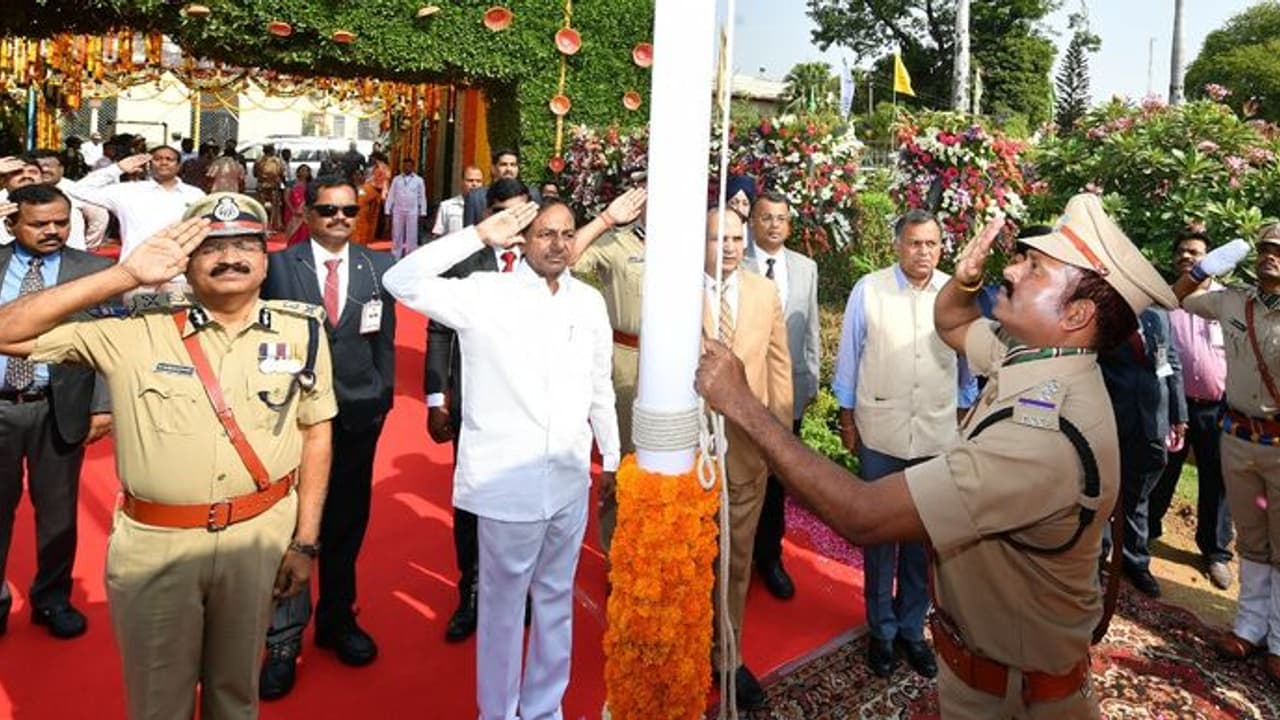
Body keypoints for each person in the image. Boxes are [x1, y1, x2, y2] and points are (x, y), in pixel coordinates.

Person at [695, 192, 1178, 718]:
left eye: (1034, 267)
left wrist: (744, 406)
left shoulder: (1043, 436)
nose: (1012, 271)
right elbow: (950, 324)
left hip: (1013, 697)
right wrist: (966, 278)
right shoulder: (1035, 357)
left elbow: (863, 514)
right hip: (991, 672)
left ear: (1077, 314)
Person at [0, 192, 336, 719]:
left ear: (266, 257)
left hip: (257, 541)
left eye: (246, 244)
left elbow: (316, 433)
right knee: (160, 707)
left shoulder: (303, 332)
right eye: (211, 248)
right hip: (158, 548)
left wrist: (306, 543)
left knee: (236, 700)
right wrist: (124, 276)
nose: (230, 258)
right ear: (187, 261)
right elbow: (5, 331)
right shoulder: (135, 330)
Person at [386, 200, 619, 720]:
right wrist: (477, 236)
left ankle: (543, 709)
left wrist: (615, 455)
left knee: (556, 600)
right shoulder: (485, 295)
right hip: (504, 485)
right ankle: (497, 712)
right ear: (522, 241)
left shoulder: (588, 303)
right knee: (502, 609)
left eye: (566, 234)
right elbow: (401, 279)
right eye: (544, 234)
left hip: (567, 478)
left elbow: (599, 384)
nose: (557, 243)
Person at [258, 175, 396, 699]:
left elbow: (385, 339)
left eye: (347, 210)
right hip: (293, 418)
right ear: (309, 215)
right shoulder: (278, 267)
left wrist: (383, 397)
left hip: (359, 415)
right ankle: (283, 640)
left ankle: (338, 620)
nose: (339, 218)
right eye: (328, 210)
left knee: (346, 522)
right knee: (294, 526)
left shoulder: (377, 266)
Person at [832, 209, 977, 680]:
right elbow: (850, 357)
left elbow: (966, 368)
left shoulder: (955, 295)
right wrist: (847, 417)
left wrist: (963, 414)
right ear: (898, 245)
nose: (924, 252)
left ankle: (913, 630)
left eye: (932, 244)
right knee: (879, 536)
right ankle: (882, 630)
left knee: (921, 538)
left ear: (942, 248)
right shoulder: (870, 289)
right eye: (915, 243)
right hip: (881, 430)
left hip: (936, 436)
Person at [0, 184, 113, 639]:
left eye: (60, 222)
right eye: (39, 223)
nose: (52, 231)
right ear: (13, 223)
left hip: (58, 408)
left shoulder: (94, 272)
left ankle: (52, 598)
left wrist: (103, 407)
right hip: (1, 406)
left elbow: (112, 342)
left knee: (59, 513)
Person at [424, 178, 531, 643]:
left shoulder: (546, 261)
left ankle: (519, 590)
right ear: (488, 214)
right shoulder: (464, 260)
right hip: (474, 403)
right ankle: (470, 592)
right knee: (472, 503)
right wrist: (435, 399)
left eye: (525, 211)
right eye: (506, 212)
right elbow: (438, 331)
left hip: (531, 407)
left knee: (525, 505)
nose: (517, 222)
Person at [1173, 225, 1280, 683]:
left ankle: (1279, 641)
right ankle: (1249, 629)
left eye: (1278, 251)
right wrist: (1202, 267)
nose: (1269, 257)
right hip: (1237, 438)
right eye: (1265, 250)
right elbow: (1176, 298)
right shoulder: (1234, 300)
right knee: (1252, 539)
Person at [703, 206, 792, 711]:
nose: (731, 247)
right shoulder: (675, 290)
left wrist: (776, 438)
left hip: (746, 454)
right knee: (694, 563)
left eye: (737, 238)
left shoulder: (763, 292)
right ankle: (689, 647)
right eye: (719, 238)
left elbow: (779, 369)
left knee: (737, 564)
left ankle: (729, 656)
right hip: (688, 454)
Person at [565, 185, 649, 554]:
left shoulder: (690, 244)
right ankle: (615, 546)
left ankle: (656, 543)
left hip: (680, 367)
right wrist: (605, 221)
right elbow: (566, 258)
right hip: (627, 362)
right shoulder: (617, 243)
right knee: (623, 461)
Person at [1149, 231, 1234, 590]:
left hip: (1218, 408)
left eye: (1195, 252)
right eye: (1182, 250)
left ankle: (1215, 553)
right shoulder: (1165, 300)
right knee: (1161, 470)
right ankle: (1144, 535)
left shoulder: (1228, 302)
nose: (1187, 256)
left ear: (1209, 259)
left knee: (1217, 481)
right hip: (1171, 405)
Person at [746, 190, 820, 601]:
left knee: (777, 479)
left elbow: (809, 333)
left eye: (781, 218)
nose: (774, 224)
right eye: (766, 217)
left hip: (786, 393)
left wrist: (808, 385)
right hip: (741, 390)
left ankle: (769, 557)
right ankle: (731, 553)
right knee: (737, 474)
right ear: (752, 222)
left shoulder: (806, 268)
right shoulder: (733, 260)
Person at [1098, 307, 1185, 598]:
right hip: (1109, 416)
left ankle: (1134, 562)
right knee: (1102, 491)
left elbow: (1170, 362)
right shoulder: (1103, 309)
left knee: (1138, 495)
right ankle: (1097, 557)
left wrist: (1178, 415)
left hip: (1151, 420)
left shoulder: (1159, 317)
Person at [66, 147, 206, 261]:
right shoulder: (128, 191)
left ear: (178, 165)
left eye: (169, 159)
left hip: (180, 271)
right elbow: (77, 190)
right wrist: (118, 168)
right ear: (148, 164)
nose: (163, 162)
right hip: (134, 272)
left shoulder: (195, 195)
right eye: (157, 159)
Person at [32, 149, 107, 251]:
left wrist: (90, 245)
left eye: (48, 165)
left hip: (72, 252)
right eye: (39, 167)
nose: (44, 170)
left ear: (61, 168)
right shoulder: (21, 190)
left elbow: (99, 217)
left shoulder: (77, 190)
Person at [462, 148, 540, 227]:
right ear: (493, 168)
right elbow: (469, 232)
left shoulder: (532, 194)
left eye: (513, 165)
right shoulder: (476, 197)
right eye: (503, 164)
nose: (509, 169)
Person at [384, 157, 427, 258]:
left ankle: (410, 256)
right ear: (402, 167)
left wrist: (423, 212)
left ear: (413, 167)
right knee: (397, 234)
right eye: (405, 166)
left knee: (412, 235)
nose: (407, 168)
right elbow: (391, 195)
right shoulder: (396, 180)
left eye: (409, 166)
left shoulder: (419, 180)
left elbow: (422, 197)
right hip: (398, 210)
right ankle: (395, 255)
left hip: (412, 211)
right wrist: (387, 209)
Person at [431, 166, 485, 240]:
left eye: (478, 181)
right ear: (462, 182)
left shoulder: (488, 207)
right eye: (470, 180)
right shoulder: (447, 206)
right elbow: (437, 234)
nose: (474, 184)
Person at [253, 144, 287, 232]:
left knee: (261, 206)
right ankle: (275, 226)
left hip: (261, 185)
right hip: (274, 186)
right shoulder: (278, 161)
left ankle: (261, 224)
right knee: (275, 207)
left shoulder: (258, 160)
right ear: (272, 151)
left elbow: (255, 174)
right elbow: (282, 174)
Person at [283, 164, 313, 248]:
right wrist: (293, 210)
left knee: (304, 232)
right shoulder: (291, 183)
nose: (304, 172)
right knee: (293, 233)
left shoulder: (311, 185)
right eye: (302, 170)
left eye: (306, 170)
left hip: (305, 213)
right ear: (298, 172)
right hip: (292, 212)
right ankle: (291, 249)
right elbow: (286, 197)